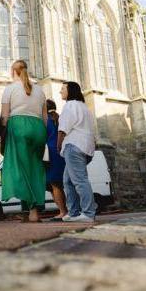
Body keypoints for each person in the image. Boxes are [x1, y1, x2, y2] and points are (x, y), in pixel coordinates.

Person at [0, 59, 47, 221]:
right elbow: (45, 118)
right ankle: (33, 210)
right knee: (36, 170)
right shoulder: (40, 91)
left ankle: (32, 211)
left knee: (19, 170)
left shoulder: (10, 89)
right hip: (39, 128)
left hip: (19, 126)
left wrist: (2, 133)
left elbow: (4, 117)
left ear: (13, 72)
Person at [57, 81, 99, 223]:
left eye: (63, 89)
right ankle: (74, 213)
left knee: (79, 180)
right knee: (68, 181)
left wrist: (58, 144)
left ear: (70, 91)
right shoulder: (84, 108)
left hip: (73, 146)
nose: (60, 91)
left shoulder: (70, 105)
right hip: (85, 147)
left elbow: (63, 128)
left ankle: (88, 213)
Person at [44, 100, 68, 220]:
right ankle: (66, 210)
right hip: (62, 152)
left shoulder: (45, 120)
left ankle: (63, 211)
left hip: (51, 154)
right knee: (61, 183)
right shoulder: (60, 118)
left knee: (54, 184)